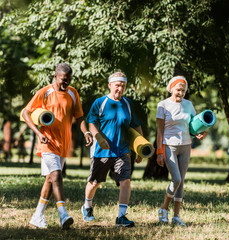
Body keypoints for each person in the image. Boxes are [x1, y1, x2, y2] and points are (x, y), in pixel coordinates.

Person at [22, 63, 93, 229]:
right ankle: (63, 215)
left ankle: (37, 216)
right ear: (55, 76)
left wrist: (86, 133)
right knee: (57, 175)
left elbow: (79, 117)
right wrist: (39, 134)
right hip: (47, 143)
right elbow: (26, 112)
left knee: (49, 180)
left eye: (68, 80)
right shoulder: (45, 92)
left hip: (64, 144)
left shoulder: (73, 93)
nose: (66, 83)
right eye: (63, 80)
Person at [82, 71, 143, 228]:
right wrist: (98, 137)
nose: (120, 89)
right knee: (95, 182)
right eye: (117, 85)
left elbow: (136, 125)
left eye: (123, 86)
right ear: (110, 85)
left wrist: (140, 147)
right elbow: (92, 123)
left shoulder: (128, 104)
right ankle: (87, 206)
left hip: (122, 150)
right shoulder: (100, 102)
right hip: (102, 150)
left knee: (125, 180)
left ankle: (121, 217)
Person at [156, 76, 207, 226]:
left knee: (181, 182)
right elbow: (159, 130)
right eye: (178, 89)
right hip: (169, 146)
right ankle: (164, 209)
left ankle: (176, 216)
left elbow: (194, 125)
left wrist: (201, 132)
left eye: (183, 90)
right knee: (176, 179)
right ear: (171, 89)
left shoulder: (189, 105)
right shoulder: (163, 105)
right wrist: (159, 151)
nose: (181, 93)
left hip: (186, 145)